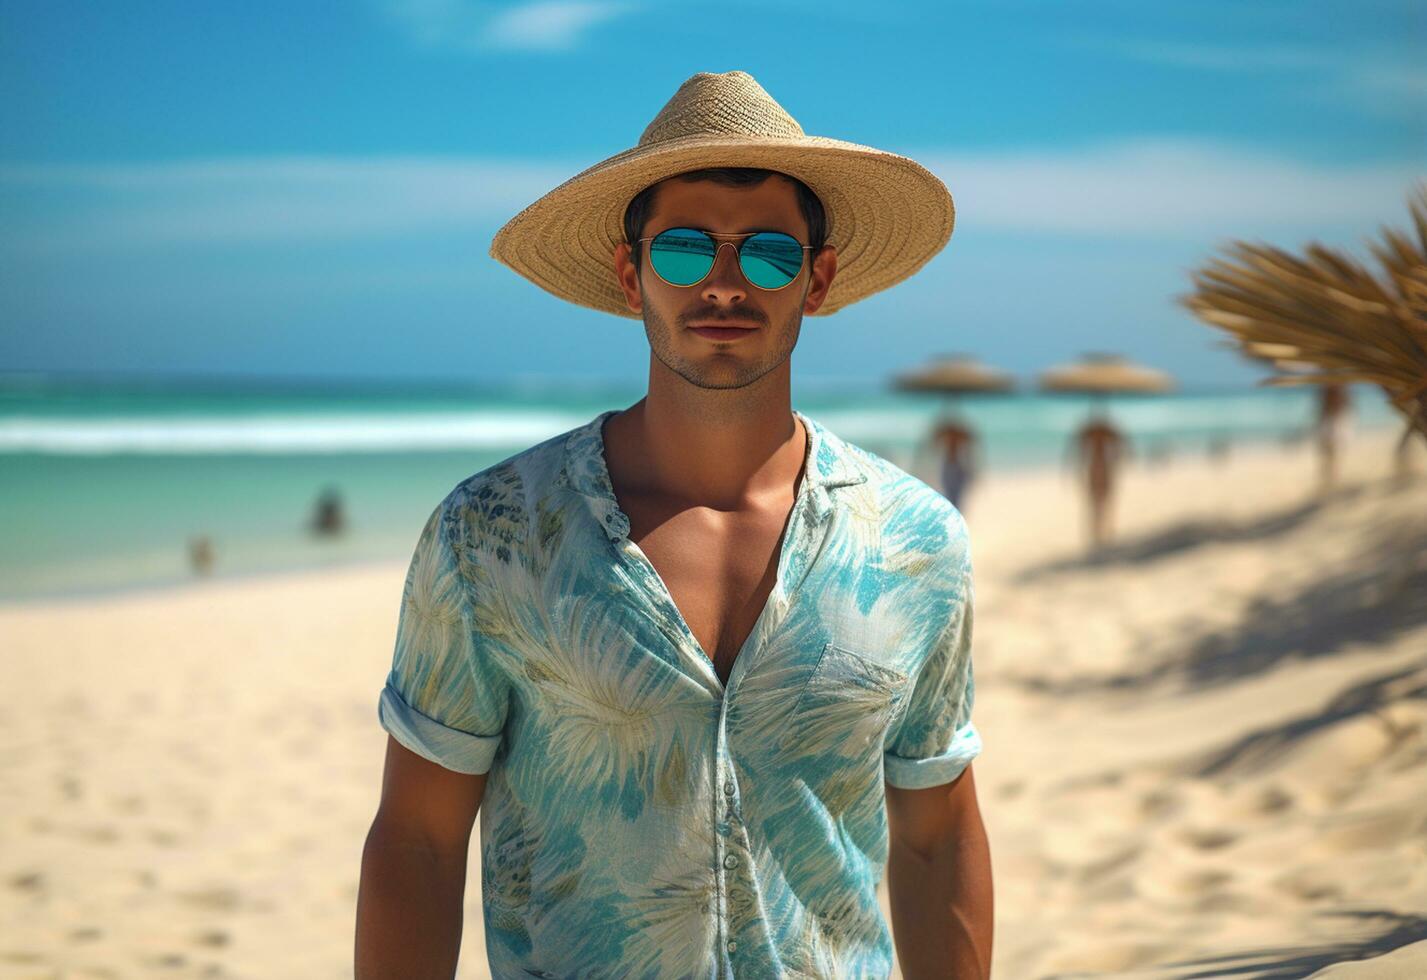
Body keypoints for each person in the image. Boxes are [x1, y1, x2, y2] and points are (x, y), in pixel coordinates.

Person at [356, 71, 992, 980]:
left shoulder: (915, 542)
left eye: (768, 253)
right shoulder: (495, 530)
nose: (725, 283)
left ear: (817, 278)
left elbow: (936, 834)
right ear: (631, 274)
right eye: (686, 249)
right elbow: (417, 840)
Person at [1069, 411, 1131, 548]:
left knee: (1097, 503)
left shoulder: (1091, 431)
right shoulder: (1106, 431)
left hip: (1096, 468)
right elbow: (1123, 447)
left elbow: (1077, 452)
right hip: (1103, 468)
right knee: (1103, 502)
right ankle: (1103, 532)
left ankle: (1098, 533)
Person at [932, 416, 979, 512]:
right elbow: (970, 454)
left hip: (953, 466)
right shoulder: (961, 434)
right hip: (955, 466)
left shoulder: (947, 433)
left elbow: (933, 446)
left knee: (952, 496)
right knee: (954, 497)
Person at [1315, 382, 1352, 491]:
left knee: (1333, 450)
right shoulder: (1332, 382)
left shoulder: (1336, 383)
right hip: (1330, 419)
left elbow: (1343, 402)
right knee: (1327, 451)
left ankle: (1331, 478)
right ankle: (1329, 478)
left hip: (1336, 419)